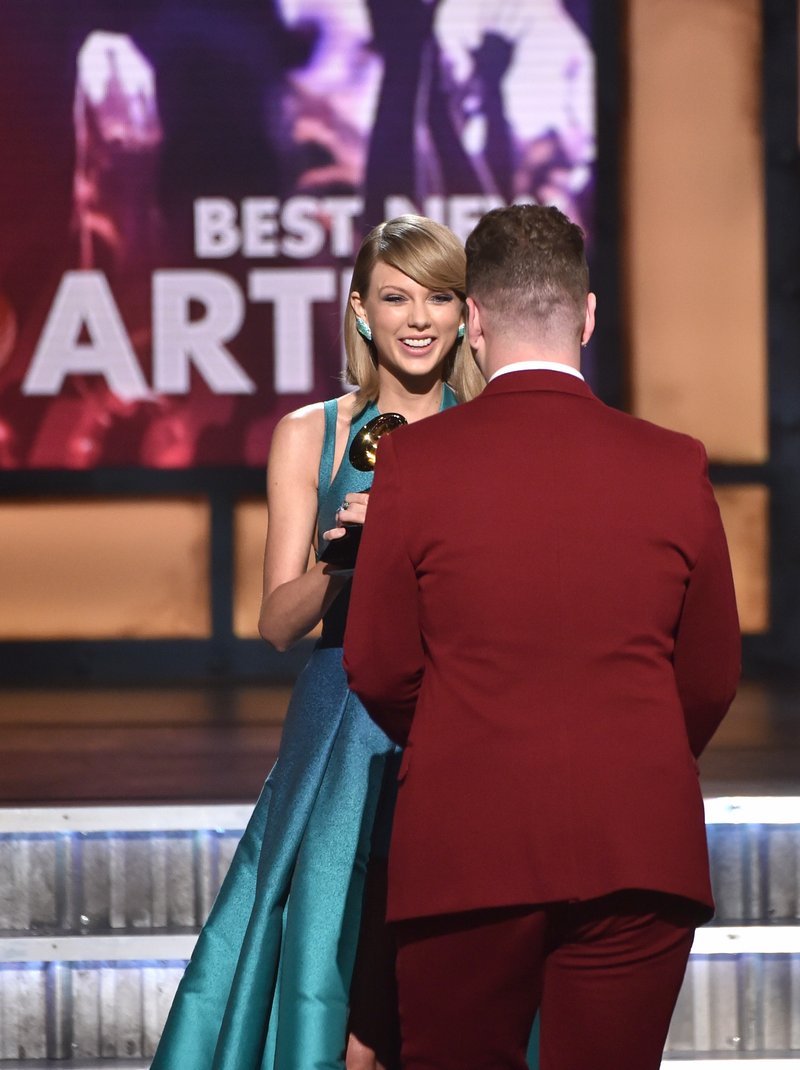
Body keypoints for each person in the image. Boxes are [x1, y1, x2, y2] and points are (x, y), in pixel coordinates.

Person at [343, 203, 741, 1070]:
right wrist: (632, 748)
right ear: (588, 315)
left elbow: (378, 664)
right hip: (639, 840)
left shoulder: (416, 464)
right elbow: (710, 674)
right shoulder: (675, 462)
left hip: (465, 839)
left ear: (475, 321)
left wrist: (461, 736)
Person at [149, 214, 483, 1070]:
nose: (419, 318)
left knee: (442, 968)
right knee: (329, 966)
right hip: (344, 717)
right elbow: (275, 623)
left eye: (440, 298)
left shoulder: (489, 431)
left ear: (465, 313)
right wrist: (352, 558)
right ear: (361, 311)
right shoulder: (314, 433)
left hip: (459, 709)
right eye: (397, 298)